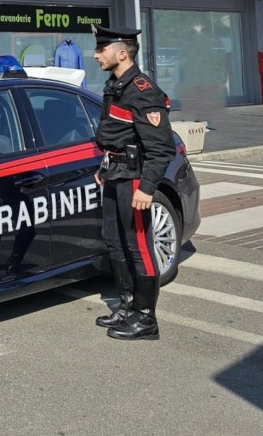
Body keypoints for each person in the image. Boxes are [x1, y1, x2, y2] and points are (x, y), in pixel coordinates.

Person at [91, 23, 175, 341]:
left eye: (102, 49)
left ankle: (146, 317)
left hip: (135, 177)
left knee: (139, 246)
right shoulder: (115, 86)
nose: (97, 54)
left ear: (122, 53)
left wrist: (147, 187)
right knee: (115, 240)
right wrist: (104, 165)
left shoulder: (143, 91)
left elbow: (161, 148)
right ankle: (127, 306)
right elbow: (116, 135)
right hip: (115, 173)